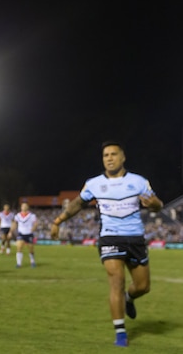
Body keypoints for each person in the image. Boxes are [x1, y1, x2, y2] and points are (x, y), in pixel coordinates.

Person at [50, 140, 164, 347]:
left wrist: (155, 205)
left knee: (143, 286)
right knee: (116, 281)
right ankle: (120, 332)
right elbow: (77, 203)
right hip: (110, 237)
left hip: (135, 238)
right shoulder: (93, 184)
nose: (109, 158)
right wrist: (58, 221)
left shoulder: (139, 181)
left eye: (113, 154)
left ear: (122, 157)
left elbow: (156, 205)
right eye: (105, 155)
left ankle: (130, 298)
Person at [10, 202, 37, 268]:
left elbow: (35, 223)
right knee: (19, 247)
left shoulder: (32, 215)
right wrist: (10, 231)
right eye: (23, 206)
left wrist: (33, 228)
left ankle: (32, 261)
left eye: (25, 206)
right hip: (21, 233)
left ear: (28, 207)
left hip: (29, 233)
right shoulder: (17, 216)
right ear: (21, 207)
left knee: (31, 249)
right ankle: (19, 263)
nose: (24, 207)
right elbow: (14, 224)